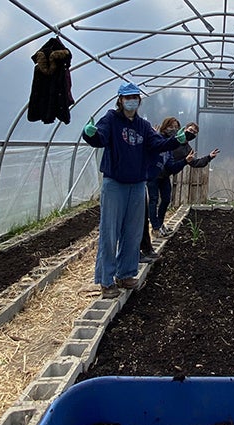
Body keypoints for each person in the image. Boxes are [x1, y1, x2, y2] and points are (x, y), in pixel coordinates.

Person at [82, 82, 185, 298]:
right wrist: (89, 134)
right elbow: (99, 137)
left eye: (135, 97)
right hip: (115, 183)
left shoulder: (142, 126)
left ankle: (126, 273)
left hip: (138, 183)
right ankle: (106, 280)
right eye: (128, 97)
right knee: (110, 232)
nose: (132, 101)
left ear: (138, 100)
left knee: (133, 230)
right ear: (120, 100)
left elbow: (157, 144)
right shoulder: (111, 119)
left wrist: (177, 140)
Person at [147, 119, 220, 239]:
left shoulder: (186, 148)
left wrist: (209, 157)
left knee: (165, 200)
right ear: (184, 129)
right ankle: (155, 227)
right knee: (153, 200)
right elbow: (155, 146)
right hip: (154, 175)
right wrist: (152, 135)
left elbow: (194, 163)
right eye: (190, 130)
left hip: (165, 175)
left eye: (194, 132)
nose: (191, 133)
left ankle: (159, 224)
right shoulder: (169, 140)